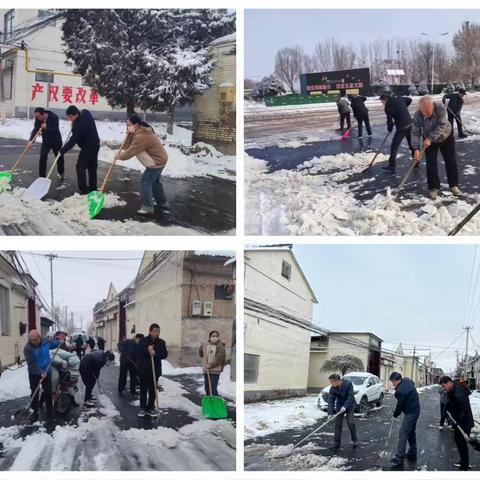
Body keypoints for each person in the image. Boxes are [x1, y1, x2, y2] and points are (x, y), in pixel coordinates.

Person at [117, 114, 169, 215]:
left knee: (145, 183)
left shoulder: (142, 136)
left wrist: (119, 156)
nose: (128, 126)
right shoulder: (138, 132)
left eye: (129, 125)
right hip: (160, 159)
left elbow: (130, 151)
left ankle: (147, 207)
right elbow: (127, 145)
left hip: (156, 162)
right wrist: (128, 135)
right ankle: (162, 203)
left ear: (136, 125)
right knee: (155, 183)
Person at [411, 96, 461, 200]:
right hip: (429, 140)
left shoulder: (440, 108)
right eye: (423, 111)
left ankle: (454, 185)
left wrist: (430, 138)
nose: (424, 114)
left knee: (450, 161)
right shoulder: (418, 114)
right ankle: (433, 187)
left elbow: (442, 125)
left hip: (445, 137)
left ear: (432, 107)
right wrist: (415, 149)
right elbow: (415, 132)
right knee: (431, 163)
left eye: (427, 112)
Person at [59, 106, 100, 195]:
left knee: (80, 167)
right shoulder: (86, 112)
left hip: (88, 147)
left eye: (70, 117)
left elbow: (72, 141)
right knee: (92, 167)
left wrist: (62, 150)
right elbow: (84, 113)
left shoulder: (78, 125)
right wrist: (74, 124)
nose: (70, 119)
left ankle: (83, 189)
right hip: (96, 144)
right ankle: (93, 188)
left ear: (75, 114)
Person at [23, 330, 61, 420]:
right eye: (31, 340)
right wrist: (40, 372)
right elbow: (31, 364)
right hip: (34, 374)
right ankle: (34, 414)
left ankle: (50, 413)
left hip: (47, 371)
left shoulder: (45, 341)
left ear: (39, 337)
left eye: (35, 340)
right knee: (34, 393)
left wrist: (59, 342)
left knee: (48, 392)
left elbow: (52, 345)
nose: (33, 342)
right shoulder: (27, 348)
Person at [440, 376, 475, 471]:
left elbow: (463, 410)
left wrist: (458, 422)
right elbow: (452, 404)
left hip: (463, 422)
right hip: (461, 421)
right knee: (460, 442)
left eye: (444, 386)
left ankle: (464, 465)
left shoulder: (458, 392)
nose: (444, 388)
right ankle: (464, 462)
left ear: (449, 383)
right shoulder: (454, 388)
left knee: (461, 443)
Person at [389, 372, 421, 467]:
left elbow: (400, 405)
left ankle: (399, 458)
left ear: (396, 380)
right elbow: (412, 383)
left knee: (403, 433)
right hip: (416, 409)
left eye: (392, 381)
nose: (392, 383)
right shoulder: (407, 380)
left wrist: (395, 415)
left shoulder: (400, 391)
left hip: (411, 412)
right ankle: (412, 453)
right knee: (410, 432)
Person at [137, 323, 168, 418]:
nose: (157, 333)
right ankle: (143, 408)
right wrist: (147, 350)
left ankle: (150, 407)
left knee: (152, 390)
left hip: (155, 370)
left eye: (158, 331)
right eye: (155, 331)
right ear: (150, 331)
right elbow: (138, 353)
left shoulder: (161, 342)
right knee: (143, 389)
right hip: (143, 370)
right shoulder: (143, 341)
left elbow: (164, 354)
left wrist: (155, 353)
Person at [380, 93, 414, 173]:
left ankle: (392, 165)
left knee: (394, 146)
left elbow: (390, 121)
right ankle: (416, 161)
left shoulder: (388, 107)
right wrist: (403, 107)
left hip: (401, 127)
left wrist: (390, 129)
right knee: (411, 144)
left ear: (385, 99)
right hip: (410, 124)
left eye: (382, 101)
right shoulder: (400, 98)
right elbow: (409, 100)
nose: (382, 103)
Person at [27, 107, 65, 179]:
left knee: (59, 157)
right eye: (36, 117)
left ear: (44, 114)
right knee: (43, 157)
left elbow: (55, 129)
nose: (38, 118)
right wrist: (31, 141)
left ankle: (61, 172)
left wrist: (46, 127)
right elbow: (35, 129)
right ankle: (42, 176)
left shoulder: (54, 117)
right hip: (46, 141)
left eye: (39, 116)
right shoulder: (38, 119)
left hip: (56, 141)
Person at [327, 373, 358, 450]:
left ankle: (354, 440)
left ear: (337, 381)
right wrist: (330, 413)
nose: (331, 384)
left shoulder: (348, 384)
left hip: (350, 405)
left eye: (331, 382)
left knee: (350, 422)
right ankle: (336, 444)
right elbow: (331, 401)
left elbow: (350, 397)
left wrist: (345, 406)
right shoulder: (332, 388)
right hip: (339, 406)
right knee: (338, 424)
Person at [199, 330, 227, 397]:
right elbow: (201, 355)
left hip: (215, 371)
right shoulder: (207, 345)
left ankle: (216, 403)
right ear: (210, 337)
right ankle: (209, 403)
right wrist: (201, 347)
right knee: (207, 388)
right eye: (213, 336)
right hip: (207, 370)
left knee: (213, 389)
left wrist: (211, 365)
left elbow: (219, 359)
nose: (214, 337)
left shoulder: (220, 347)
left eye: (216, 336)